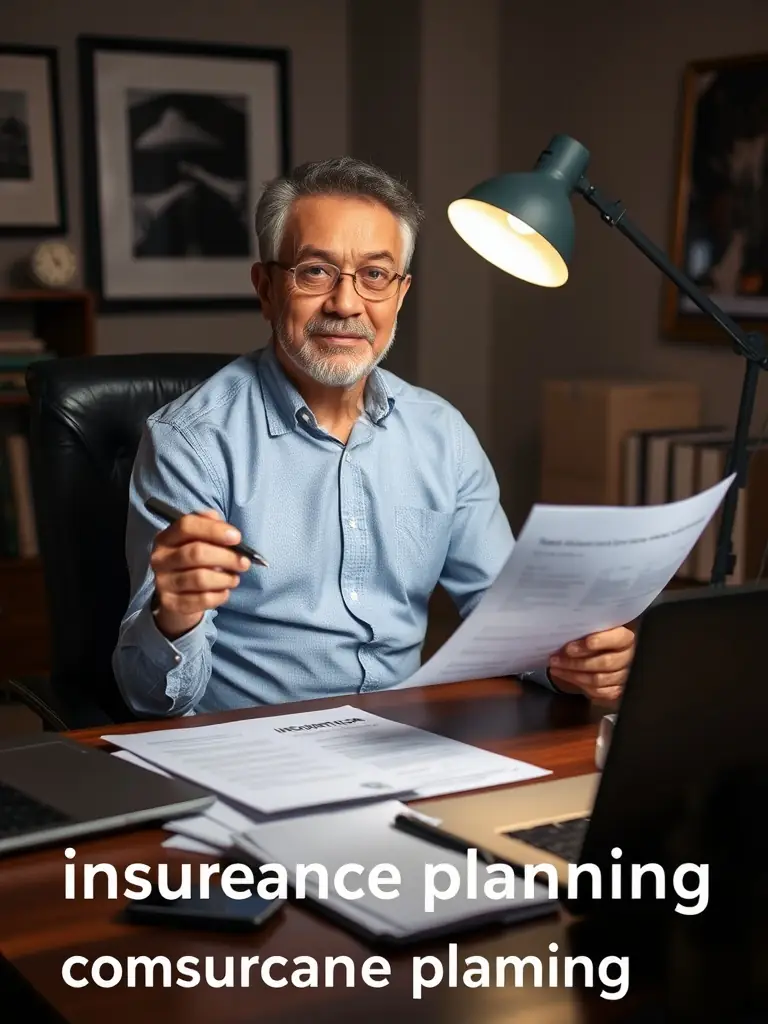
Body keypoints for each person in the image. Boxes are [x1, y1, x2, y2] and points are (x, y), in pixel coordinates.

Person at [113, 156, 636, 718]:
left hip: (402, 746)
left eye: (375, 275)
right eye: (315, 271)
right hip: (255, 753)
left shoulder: (442, 435)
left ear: (401, 294)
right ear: (266, 289)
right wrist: (176, 616)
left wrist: (570, 662)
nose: (346, 303)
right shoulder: (192, 442)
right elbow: (150, 699)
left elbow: (507, 622)